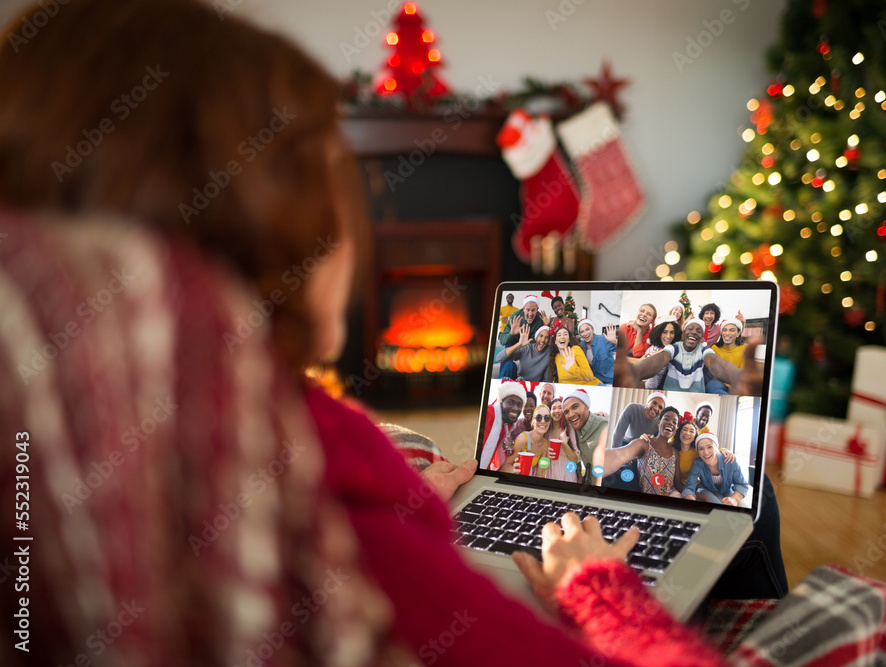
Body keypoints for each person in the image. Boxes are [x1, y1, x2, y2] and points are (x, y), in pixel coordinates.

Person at [0, 2, 764, 662]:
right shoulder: (319, 502)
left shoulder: (60, 437)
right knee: (839, 585)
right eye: (333, 178)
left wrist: (409, 499)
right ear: (274, 227)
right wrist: (602, 591)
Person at [633, 318, 749, 395]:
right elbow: (661, 358)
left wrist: (742, 379)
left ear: (701, 337)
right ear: (684, 333)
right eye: (690, 329)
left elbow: (714, 362)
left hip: (696, 393)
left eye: (698, 331)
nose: (694, 332)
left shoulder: (704, 349)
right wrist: (633, 372)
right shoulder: (674, 347)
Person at [602, 406, 681, 495]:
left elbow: (678, 484)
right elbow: (618, 455)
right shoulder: (643, 444)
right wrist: (596, 461)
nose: (670, 423)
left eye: (674, 422)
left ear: (676, 429)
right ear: (659, 422)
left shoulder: (675, 453)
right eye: (666, 419)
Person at [683, 433, 749, 507]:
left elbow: (742, 485)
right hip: (707, 489)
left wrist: (735, 499)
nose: (706, 453)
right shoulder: (697, 464)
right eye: (701, 449)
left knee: (744, 506)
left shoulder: (730, 460)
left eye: (709, 447)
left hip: (727, 489)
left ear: (716, 447)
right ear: (698, 452)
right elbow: (689, 487)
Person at [480, 380, 526, 470]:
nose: (515, 408)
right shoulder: (487, 413)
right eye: (511, 402)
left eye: (519, 405)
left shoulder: (508, 425)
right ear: (501, 403)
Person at [562, 388, 608, 474]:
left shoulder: (605, 425)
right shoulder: (573, 431)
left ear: (586, 406)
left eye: (575, 407)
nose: (571, 414)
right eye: (566, 412)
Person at [495, 316, 550, 381]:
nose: (543, 340)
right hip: (519, 382)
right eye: (541, 336)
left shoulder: (549, 353)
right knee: (509, 364)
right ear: (536, 337)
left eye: (546, 337)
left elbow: (546, 380)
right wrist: (519, 344)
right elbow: (499, 359)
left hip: (533, 386)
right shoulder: (526, 348)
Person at [546, 397, 583, 482]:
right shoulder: (547, 431)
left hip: (567, 477)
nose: (556, 411)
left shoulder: (569, 429)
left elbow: (575, 460)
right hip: (550, 475)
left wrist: (564, 443)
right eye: (553, 408)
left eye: (560, 408)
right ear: (550, 412)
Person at [641, 319, 682, 390]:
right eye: (664, 332)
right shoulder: (653, 351)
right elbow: (650, 387)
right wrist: (653, 365)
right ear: (658, 333)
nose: (668, 336)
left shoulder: (674, 348)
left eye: (672, 332)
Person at [708, 319, 747, 394]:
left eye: (732, 330)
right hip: (720, 381)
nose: (727, 333)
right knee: (711, 386)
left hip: (738, 380)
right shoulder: (715, 348)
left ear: (738, 333)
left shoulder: (745, 348)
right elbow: (716, 372)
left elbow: (743, 372)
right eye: (724, 330)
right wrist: (728, 384)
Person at [577, 318, 616, 384]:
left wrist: (615, 341)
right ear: (580, 334)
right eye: (582, 331)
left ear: (592, 329)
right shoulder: (581, 345)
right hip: (593, 382)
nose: (585, 333)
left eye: (587, 329)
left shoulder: (604, 340)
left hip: (609, 381)